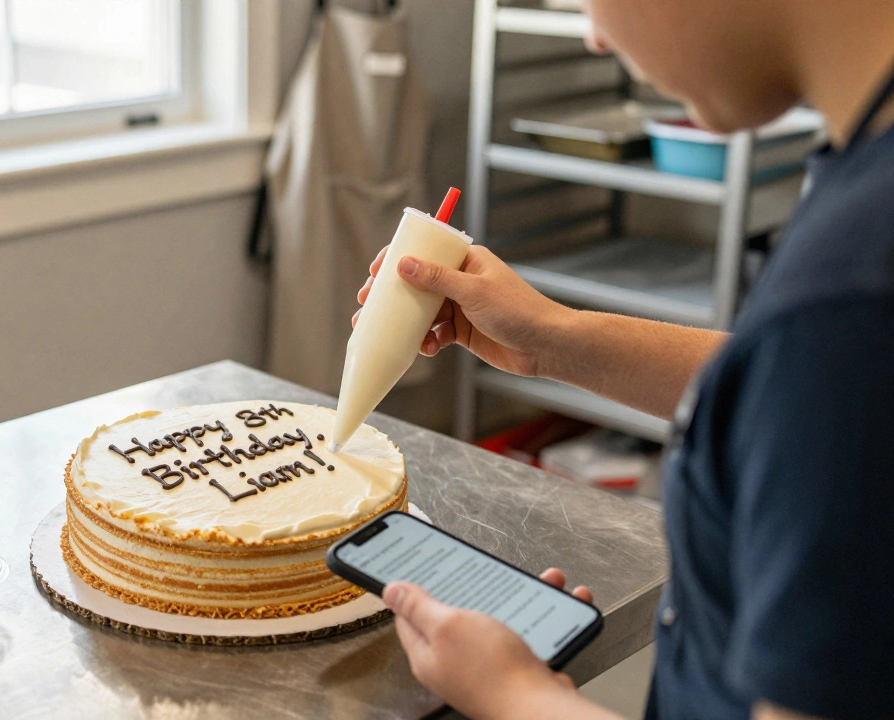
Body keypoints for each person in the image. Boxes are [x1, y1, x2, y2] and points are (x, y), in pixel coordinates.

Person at [353, 1, 894, 718]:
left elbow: (823, 360)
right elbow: (797, 390)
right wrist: (551, 337)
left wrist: (515, 697)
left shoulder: (847, 301)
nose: (595, 34)